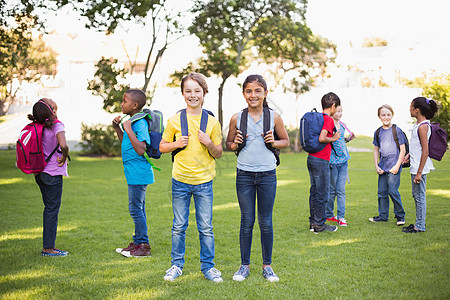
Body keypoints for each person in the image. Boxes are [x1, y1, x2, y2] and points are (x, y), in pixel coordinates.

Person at [159, 72, 223, 282]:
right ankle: (176, 265)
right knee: (179, 226)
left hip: (204, 183)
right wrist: (176, 144)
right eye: (188, 91)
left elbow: (219, 152)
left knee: (206, 227)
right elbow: (162, 146)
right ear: (182, 93)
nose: (193, 95)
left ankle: (208, 267)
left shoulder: (212, 122)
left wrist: (209, 143)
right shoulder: (175, 120)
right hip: (180, 182)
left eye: (197, 91)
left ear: (204, 94)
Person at [226, 74, 289, 282]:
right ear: (244, 94)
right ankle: (244, 266)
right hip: (244, 175)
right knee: (247, 221)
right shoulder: (237, 117)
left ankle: (267, 265)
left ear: (265, 93)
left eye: (257, 91)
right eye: (249, 91)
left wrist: (274, 141)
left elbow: (286, 141)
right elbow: (229, 145)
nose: (253, 95)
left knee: (265, 222)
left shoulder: (274, 117)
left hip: (267, 175)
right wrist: (235, 142)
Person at [112, 89, 153, 257]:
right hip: (133, 171)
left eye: (124, 101)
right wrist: (118, 128)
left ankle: (143, 246)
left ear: (134, 105)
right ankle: (137, 243)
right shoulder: (132, 122)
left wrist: (127, 128)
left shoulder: (139, 123)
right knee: (138, 208)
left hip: (139, 172)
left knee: (135, 209)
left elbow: (141, 149)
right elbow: (127, 142)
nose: (122, 104)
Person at [29, 98, 70, 257]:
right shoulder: (57, 125)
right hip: (52, 174)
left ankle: (48, 246)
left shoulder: (38, 125)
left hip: (39, 172)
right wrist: (64, 156)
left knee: (49, 209)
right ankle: (48, 248)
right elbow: (64, 145)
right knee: (52, 210)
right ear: (51, 110)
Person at [402, 97, 438, 233]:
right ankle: (418, 223)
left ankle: (420, 226)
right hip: (416, 165)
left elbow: (425, 150)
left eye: (411, 107)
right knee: (416, 195)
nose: (409, 109)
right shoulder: (418, 125)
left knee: (419, 196)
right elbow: (416, 147)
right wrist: (409, 155)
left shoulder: (423, 127)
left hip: (419, 168)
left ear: (417, 110)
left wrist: (419, 172)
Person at [308, 92, 341, 234]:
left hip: (311, 158)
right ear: (333, 106)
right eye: (337, 107)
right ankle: (320, 225)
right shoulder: (328, 119)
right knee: (322, 192)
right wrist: (334, 138)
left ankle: (313, 223)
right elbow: (322, 138)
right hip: (321, 160)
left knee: (314, 191)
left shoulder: (317, 117)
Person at [369, 104, 406, 226]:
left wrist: (397, 166)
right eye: (383, 115)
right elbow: (376, 149)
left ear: (392, 115)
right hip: (382, 167)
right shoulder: (378, 132)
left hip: (394, 167)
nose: (386, 117)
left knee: (393, 191)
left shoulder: (397, 130)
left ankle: (400, 216)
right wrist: (376, 165)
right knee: (382, 192)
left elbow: (403, 150)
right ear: (379, 116)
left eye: (388, 114)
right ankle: (383, 215)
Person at [326, 105, 354, 227]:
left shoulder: (343, 125)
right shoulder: (329, 126)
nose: (340, 113)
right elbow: (326, 140)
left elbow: (341, 141)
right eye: (338, 111)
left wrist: (348, 139)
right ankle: (329, 214)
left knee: (341, 190)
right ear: (332, 112)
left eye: (341, 111)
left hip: (343, 161)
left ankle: (341, 217)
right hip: (332, 162)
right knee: (332, 190)